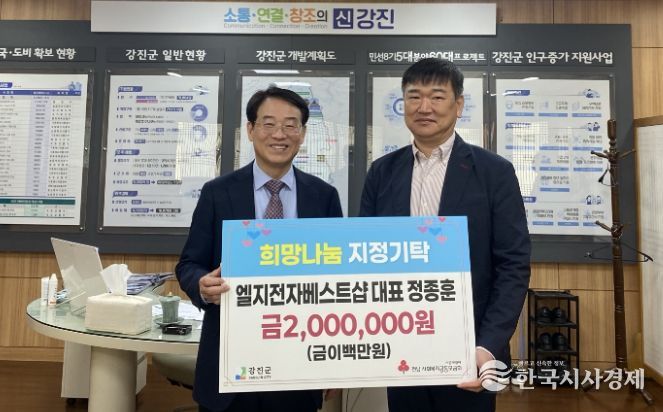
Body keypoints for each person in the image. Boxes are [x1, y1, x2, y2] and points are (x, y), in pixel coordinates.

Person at [360, 58, 531, 411]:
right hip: (402, 345)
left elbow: (513, 265)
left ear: (458, 104)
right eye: (414, 96)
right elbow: (366, 256)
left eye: (437, 96)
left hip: (471, 350)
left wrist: (487, 346)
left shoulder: (494, 172)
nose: (424, 107)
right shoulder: (381, 172)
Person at [176, 86, 343, 412]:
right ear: (251, 130)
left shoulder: (323, 197)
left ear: (303, 134)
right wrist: (201, 285)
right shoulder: (217, 193)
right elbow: (189, 263)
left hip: (298, 362)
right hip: (230, 363)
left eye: (291, 125)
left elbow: (337, 282)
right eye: (268, 124)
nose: (279, 134)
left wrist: (333, 362)